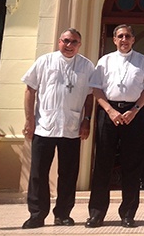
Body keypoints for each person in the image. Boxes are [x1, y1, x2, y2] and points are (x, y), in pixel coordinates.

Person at [21, 28, 94, 229]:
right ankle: (36, 214)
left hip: (72, 128)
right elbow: (30, 90)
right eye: (66, 41)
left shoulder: (86, 66)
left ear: (79, 45)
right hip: (44, 126)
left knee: (68, 174)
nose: (69, 45)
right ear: (59, 41)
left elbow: (90, 96)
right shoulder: (45, 62)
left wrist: (86, 120)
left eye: (74, 42)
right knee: (38, 173)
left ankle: (63, 214)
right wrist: (29, 120)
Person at [86, 24, 144, 228]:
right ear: (114, 40)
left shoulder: (142, 61)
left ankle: (128, 213)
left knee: (132, 165)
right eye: (120, 36)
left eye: (128, 36)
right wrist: (110, 111)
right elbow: (96, 90)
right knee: (103, 164)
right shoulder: (104, 61)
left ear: (133, 39)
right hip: (108, 113)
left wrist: (135, 110)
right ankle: (97, 213)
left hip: (134, 114)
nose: (124, 40)